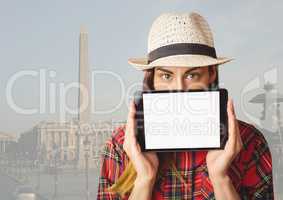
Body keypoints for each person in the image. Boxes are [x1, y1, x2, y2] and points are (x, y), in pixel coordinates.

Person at [97, 12, 274, 199]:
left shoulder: (250, 142)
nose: (179, 89)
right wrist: (144, 179)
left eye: (192, 75)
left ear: (211, 74)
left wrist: (221, 179)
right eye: (167, 76)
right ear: (152, 79)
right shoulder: (121, 146)